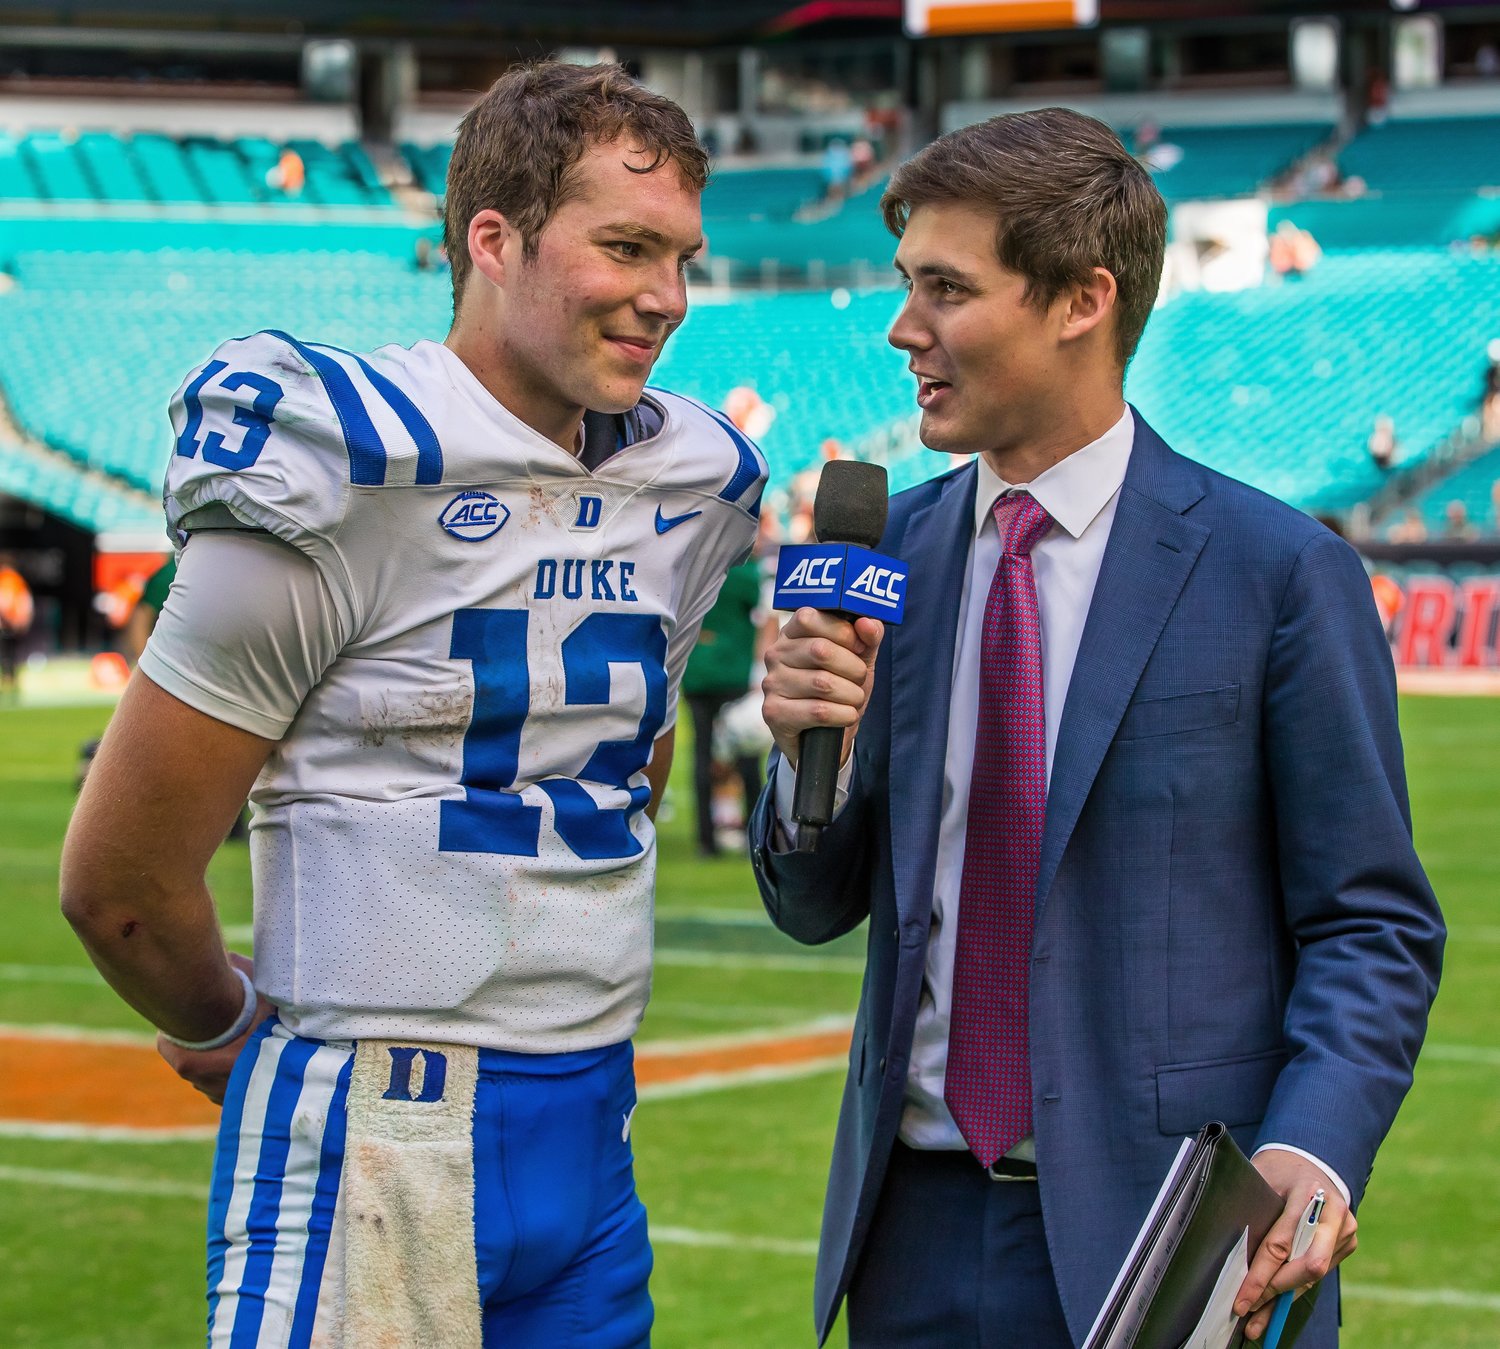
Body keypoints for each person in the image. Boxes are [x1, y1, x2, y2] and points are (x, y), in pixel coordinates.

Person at [60, 61, 765, 1349]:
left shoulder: (695, 479)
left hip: (594, 1129)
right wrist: (229, 1027)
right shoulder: (346, 456)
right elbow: (119, 880)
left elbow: (629, 784)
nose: (666, 296)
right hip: (371, 1127)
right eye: (625, 246)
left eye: (681, 256)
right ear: (491, 239)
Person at [750, 108, 1443, 1349]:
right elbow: (811, 901)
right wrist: (817, 750)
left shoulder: (1277, 572)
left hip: (1173, 1246)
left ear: (1081, 298)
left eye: (947, 289)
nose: (905, 329)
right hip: (904, 1236)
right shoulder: (878, 554)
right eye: (908, 285)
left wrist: (1314, 1146)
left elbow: (1371, 923)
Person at [681, 557, 764, 855]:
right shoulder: (744, 571)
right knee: (747, 756)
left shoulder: (695, 566)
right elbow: (758, 606)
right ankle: (755, 831)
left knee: (702, 756)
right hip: (732, 670)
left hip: (697, 670)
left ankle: (707, 839)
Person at [0, 551, 33, 698]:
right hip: (15, 622)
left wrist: (6, 619)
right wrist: (23, 620)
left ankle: (7, 682)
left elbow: (4, 601)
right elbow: (26, 602)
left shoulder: (6, 579)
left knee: (6, 654)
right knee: (13, 654)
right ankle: (12, 682)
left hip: (6, 622)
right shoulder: (18, 580)